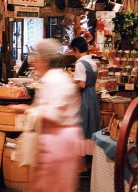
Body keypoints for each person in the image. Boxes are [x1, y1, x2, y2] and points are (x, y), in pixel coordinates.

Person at [9, 38, 83, 192]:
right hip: (61, 140)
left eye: (36, 59)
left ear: (45, 61)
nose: (33, 63)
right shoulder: (58, 78)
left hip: (57, 141)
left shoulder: (54, 81)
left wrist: (26, 109)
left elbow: (52, 115)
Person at [69, 36, 100, 170]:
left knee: (82, 126)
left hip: (85, 97)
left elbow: (81, 84)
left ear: (76, 49)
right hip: (93, 95)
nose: (73, 54)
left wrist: (70, 86)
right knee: (92, 126)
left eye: (73, 51)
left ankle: (82, 165)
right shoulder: (92, 62)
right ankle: (90, 162)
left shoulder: (80, 63)